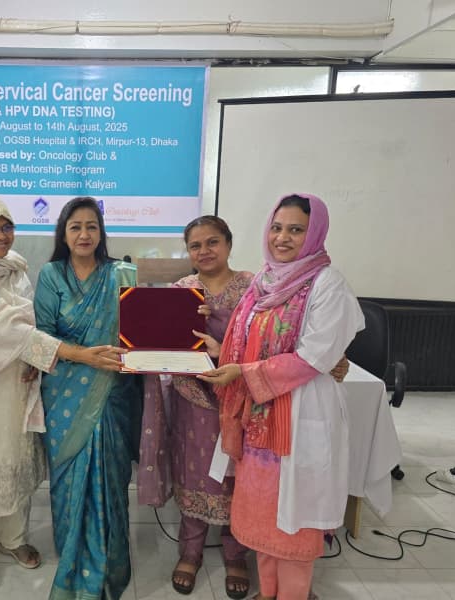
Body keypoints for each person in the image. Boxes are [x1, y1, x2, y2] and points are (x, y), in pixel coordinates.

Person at [0, 195, 126, 591]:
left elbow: (31, 326)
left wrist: (36, 362)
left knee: (17, 462)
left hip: (21, 381)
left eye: (6, 226)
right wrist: (78, 354)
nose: (1, 236)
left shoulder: (14, 267)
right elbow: (12, 332)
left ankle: (13, 538)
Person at [198, 194, 364, 600]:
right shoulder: (264, 281)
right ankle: (267, 592)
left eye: (295, 230)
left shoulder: (327, 283)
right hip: (258, 422)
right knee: (265, 518)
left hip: (300, 419)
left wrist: (244, 372)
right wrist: (224, 353)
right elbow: (247, 339)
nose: (282, 238)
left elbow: (314, 357)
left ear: (315, 234)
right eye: (277, 227)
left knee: (294, 520)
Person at [137, 215, 253, 598]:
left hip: (239, 398)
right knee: (195, 472)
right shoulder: (182, 290)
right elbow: (164, 341)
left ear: (229, 243)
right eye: (195, 245)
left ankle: (236, 555)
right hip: (194, 401)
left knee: (237, 478)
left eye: (212, 242)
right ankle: (190, 552)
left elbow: (263, 342)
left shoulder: (251, 289)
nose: (204, 251)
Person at [34, 196, 140, 600]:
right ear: (63, 233)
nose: (84, 234)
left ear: (102, 232)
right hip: (64, 392)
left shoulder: (123, 273)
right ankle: (71, 552)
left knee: (110, 479)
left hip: (112, 392)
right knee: (68, 478)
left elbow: (140, 331)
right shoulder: (50, 275)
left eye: (92, 226)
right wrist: (84, 356)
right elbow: (42, 335)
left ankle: (109, 561)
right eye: (75, 226)